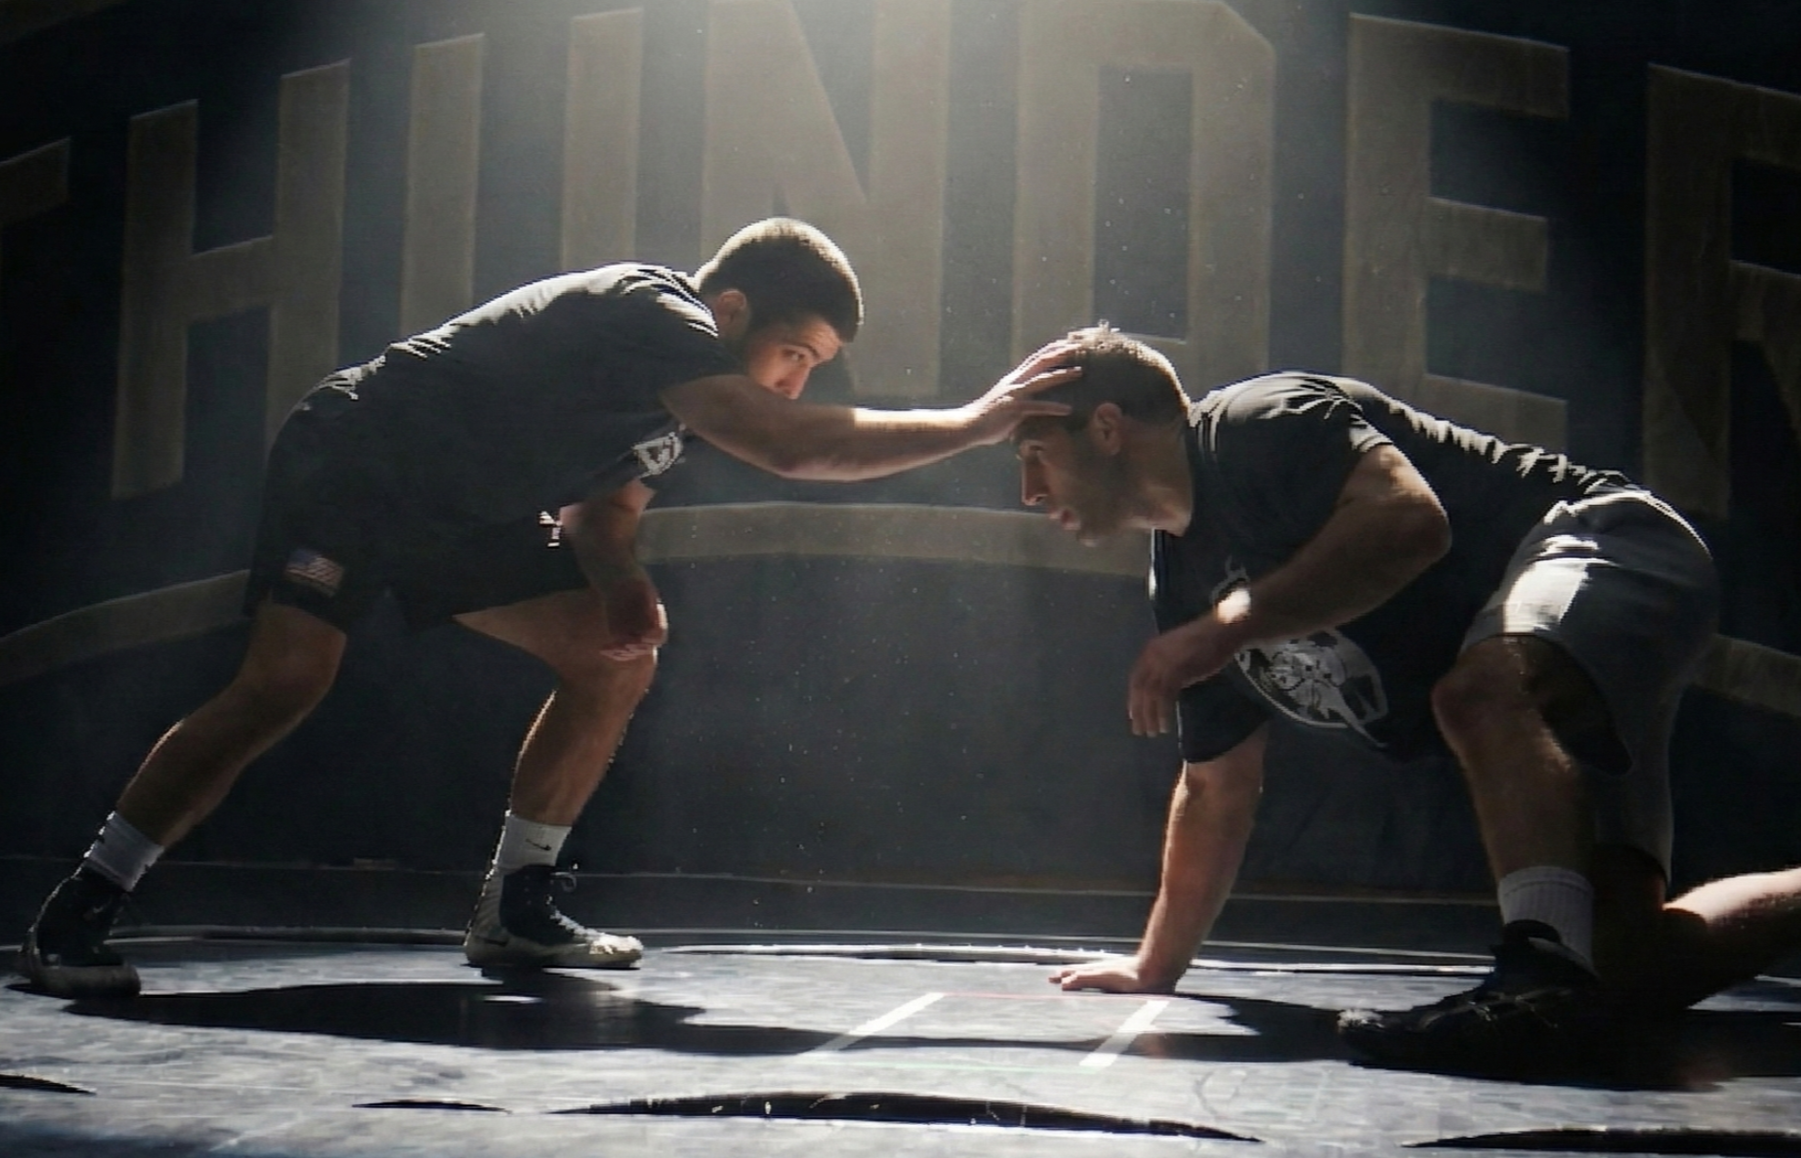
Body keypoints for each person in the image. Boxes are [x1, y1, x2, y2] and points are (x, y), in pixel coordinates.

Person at [20, 218, 1075, 999]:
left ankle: (516, 907)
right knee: (285, 682)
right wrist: (978, 423)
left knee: (614, 654)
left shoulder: (682, 405)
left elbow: (604, 513)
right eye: (794, 355)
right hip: (363, 457)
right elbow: (791, 449)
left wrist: (618, 580)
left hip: (467, 512)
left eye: (813, 369)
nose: (795, 384)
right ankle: (81, 906)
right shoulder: (657, 313)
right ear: (732, 312)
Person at [1013, 324, 1801, 1071]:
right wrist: (1155, 964)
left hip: (1611, 542)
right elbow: (1216, 787)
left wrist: (1229, 625)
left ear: (1107, 427)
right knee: (1625, 964)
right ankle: (1562, 972)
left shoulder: (1255, 423)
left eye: (1036, 456)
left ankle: (1536, 980)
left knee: (1481, 693)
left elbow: (1410, 523)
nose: (1029, 492)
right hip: (1550, 698)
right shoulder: (1180, 582)